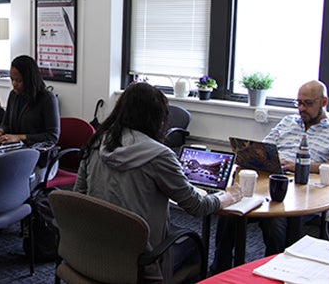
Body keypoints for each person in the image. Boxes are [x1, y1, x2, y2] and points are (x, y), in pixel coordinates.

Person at [74, 82, 243, 282]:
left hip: (93, 249)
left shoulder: (97, 141)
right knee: (194, 248)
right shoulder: (160, 155)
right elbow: (196, 206)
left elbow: (78, 195)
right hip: (141, 258)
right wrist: (229, 196)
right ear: (157, 117)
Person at [211, 80, 329, 274]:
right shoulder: (288, 121)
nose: (301, 108)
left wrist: (300, 165)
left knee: (275, 221)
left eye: (307, 103)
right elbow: (262, 149)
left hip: (306, 187)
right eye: (298, 103)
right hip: (270, 178)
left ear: (324, 101)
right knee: (231, 208)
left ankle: (273, 271)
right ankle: (220, 267)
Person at [0, 55, 59, 146]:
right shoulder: (14, 95)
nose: (14, 84)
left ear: (29, 79)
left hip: (37, 152)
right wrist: (0, 131)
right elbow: (6, 123)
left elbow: (52, 137)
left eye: (19, 80)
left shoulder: (47, 98)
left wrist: (20, 137)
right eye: (12, 79)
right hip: (14, 148)